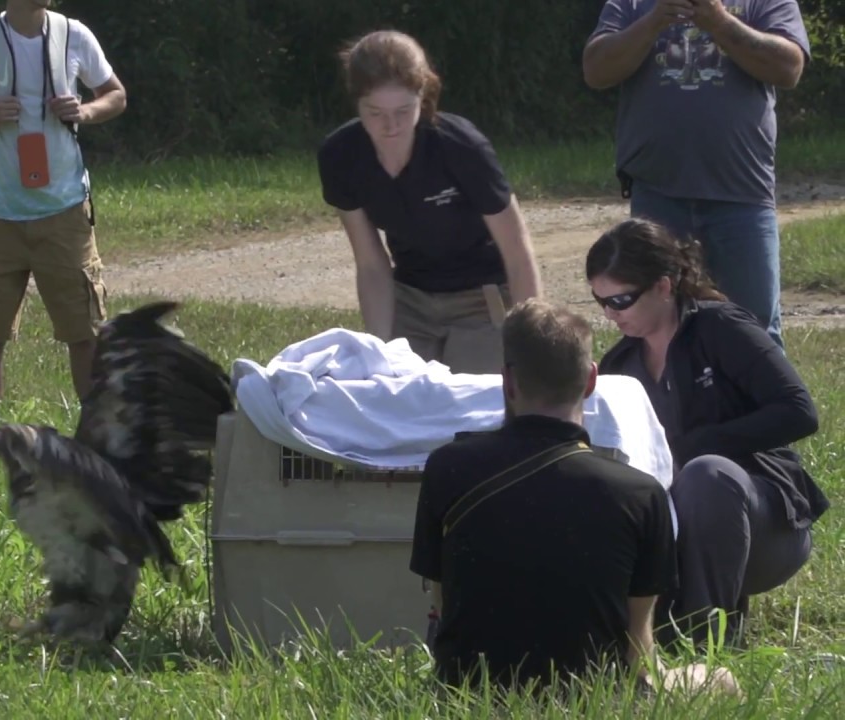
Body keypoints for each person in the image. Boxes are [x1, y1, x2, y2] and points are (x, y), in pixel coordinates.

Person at [410, 298, 684, 692]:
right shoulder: (641, 493)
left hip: (469, 690)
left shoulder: (447, 469)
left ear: (508, 380)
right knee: (719, 680)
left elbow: (443, 603)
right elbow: (636, 641)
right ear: (591, 380)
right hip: (594, 695)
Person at [587, 217, 831, 650]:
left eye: (621, 300)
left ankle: (710, 645)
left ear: (664, 285)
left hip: (762, 526)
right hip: (671, 536)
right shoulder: (618, 366)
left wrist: (696, 445)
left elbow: (799, 411)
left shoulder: (720, 328)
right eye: (600, 301)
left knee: (708, 473)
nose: (610, 313)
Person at [0, 0, 127, 435]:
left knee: (83, 332)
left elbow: (116, 95)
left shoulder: (75, 35)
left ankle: (96, 433)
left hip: (66, 210)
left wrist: (85, 111)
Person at [581, 0, 813, 350]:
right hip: (658, 194)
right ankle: (670, 405)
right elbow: (596, 71)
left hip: (742, 194)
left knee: (755, 331)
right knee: (658, 329)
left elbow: (789, 68)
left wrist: (718, 21)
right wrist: (655, 20)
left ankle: (767, 406)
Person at [317, 30, 542, 374]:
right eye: (374, 112)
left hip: (481, 299)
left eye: (404, 110)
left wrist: (529, 345)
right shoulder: (340, 156)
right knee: (397, 399)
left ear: (423, 96)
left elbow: (516, 248)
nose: (390, 126)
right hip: (409, 298)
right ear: (356, 102)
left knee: (473, 408)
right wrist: (379, 350)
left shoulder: (461, 146)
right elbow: (371, 263)